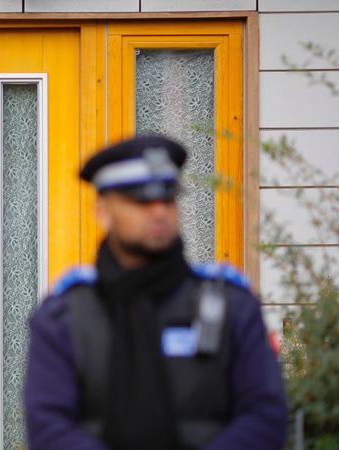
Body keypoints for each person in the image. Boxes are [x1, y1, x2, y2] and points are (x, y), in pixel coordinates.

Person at [23, 136, 288, 450]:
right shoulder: (64, 315)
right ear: (102, 211)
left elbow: (264, 416)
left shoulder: (232, 305)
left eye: (168, 197)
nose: (159, 211)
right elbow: (49, 426)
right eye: (142, 200)